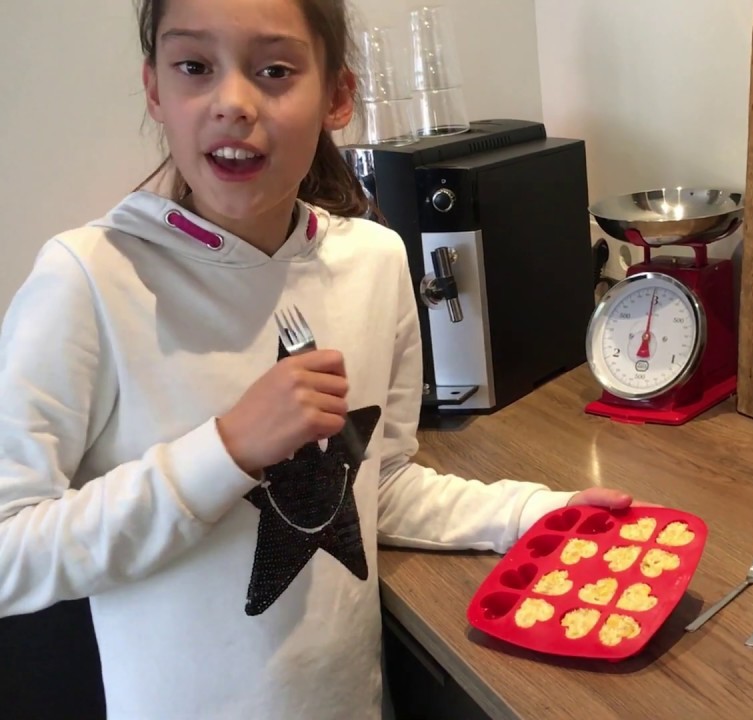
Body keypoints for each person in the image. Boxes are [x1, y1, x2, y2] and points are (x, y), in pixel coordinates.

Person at [0, 0, 633, 717]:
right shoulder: (86, 279)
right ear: (155, 90)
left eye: (274, 70)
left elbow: (378, 486)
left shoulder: (373, 259)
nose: (233, 102)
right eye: (194, 67)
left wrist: (535, 513)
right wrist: (226, 450)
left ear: (337, 97)